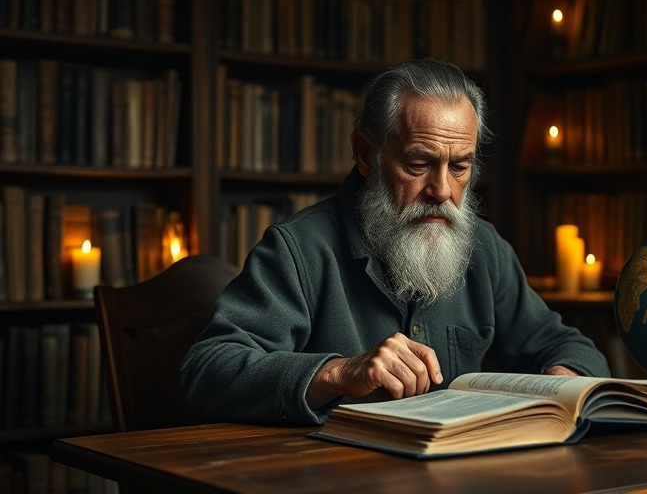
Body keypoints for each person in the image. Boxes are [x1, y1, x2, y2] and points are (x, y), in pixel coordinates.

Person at [178, 58, 610, 426]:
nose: (442, 190)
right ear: (366, 154)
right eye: (419, 163)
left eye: (460, 167)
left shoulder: (485, 248)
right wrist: (339, 372)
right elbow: (205, 373)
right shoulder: (298, 250)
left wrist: (559, 378)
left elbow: (570, 347)